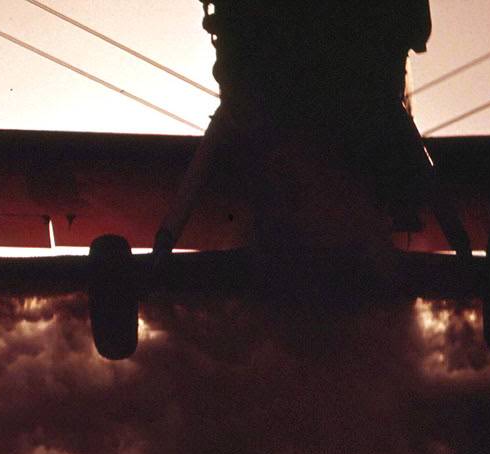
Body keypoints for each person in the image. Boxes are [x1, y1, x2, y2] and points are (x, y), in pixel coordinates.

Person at [152, 1, 471, 271]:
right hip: (358, 95)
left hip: (286, 95)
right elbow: (417, 32)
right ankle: (464, 251)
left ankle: (163, 248)